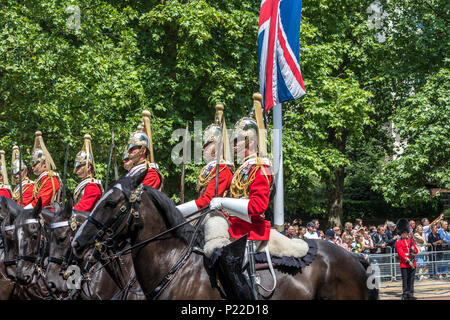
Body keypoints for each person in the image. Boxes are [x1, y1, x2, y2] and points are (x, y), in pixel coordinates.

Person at [208, 94, 274, 300]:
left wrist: (223, 202)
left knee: (228, 264)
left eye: (237, 141)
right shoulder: (242, 169)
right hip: (235, 230)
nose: (233, 146)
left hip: (250, 232)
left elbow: (258, 207)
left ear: (251, 141)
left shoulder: (260, 167)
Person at [177, 104, 234, 224]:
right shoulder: (211, 169)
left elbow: (207, 200)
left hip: (218, 219)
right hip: (205, 215)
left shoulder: (223, 169)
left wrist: (178, 211)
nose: (203, 149)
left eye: (206, 145)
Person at [123, 110, 162, 190]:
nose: (129, 151)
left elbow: (141, 198)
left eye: (133, 148)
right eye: (129, 149)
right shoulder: (132, 172)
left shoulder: (151, 174)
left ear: (143, 150)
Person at [24, 131, 61, 209]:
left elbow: (41, 201)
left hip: (48, 215)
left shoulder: (50, 178)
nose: (32, 167)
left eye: (35, 164)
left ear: (44, 164)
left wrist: (23, 211)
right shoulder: (41, 179)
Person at [72, 135, 103, 212]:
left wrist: (69, 211)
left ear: (88, 167)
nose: (77, 169)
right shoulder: (85, 184)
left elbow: (83, 207)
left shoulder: (92, 186)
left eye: (79, 166)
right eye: (77, 166)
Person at [395, 218, 418, 300]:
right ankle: (405, 294)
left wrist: (413, 250)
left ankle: (410, 294)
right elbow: (401, 253)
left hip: (413, 262)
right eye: (404, 232)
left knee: (411, 280)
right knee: (405, 280)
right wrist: (408, 261)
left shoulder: (411, 241)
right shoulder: (398, 243)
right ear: (401, 233)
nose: (405, 234)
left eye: (406, 232)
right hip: (404, 264)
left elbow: (416, 251)